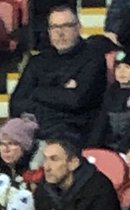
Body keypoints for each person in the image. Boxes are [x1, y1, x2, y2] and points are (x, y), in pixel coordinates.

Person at [9, 7, 107, 142]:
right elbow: (16, 104)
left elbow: (76, 100)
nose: (60, 33)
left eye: (66, 26)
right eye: (54, 27)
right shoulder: (38, 61)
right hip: (36, 129)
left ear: (78, 27)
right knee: (6, 141)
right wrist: (60, 94)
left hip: (74, 133)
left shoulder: (93, 58)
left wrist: (37, 92)